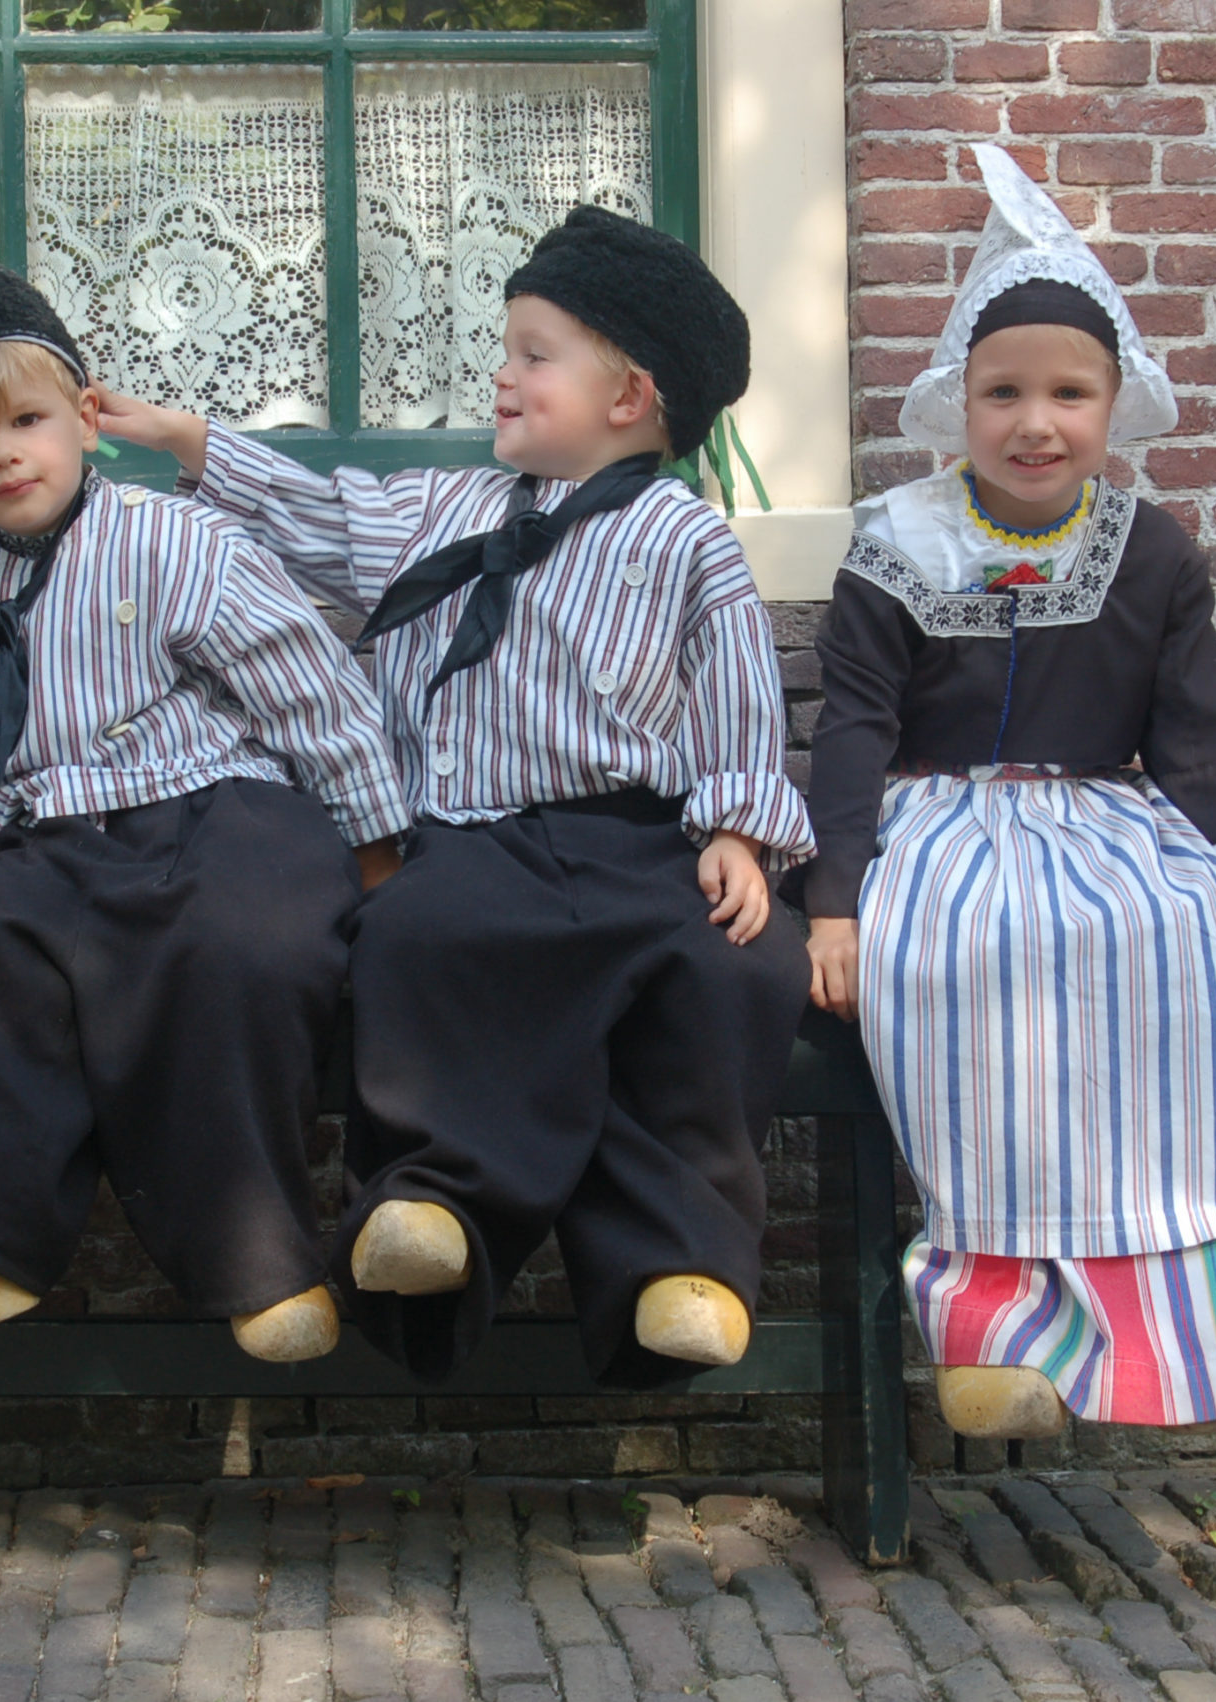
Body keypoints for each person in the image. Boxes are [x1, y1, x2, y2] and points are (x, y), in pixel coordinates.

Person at [99, 207, 815, 1389]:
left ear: (628, 395)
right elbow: (323, 519)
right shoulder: (448, 510)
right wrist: (190, 440)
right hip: (469, 842)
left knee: (733, 966)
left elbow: (733, 683)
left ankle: (677, 1269)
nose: (503, 372)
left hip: (637, 842)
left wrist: (738, 828)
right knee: (416, 938)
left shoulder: (687, 540)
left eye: (535, 353)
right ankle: (429, 1211)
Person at [800, 145, 1216, 1438]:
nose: (1038, 421)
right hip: (941, 815)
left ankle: (1159, 1331)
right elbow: (856, 729)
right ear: (960, 401)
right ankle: (989, 1329)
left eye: (1069, 393)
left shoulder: (1153, 554)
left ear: (1113, 402)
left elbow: (1194, 731)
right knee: (970, 954)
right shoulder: (900, 546)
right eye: (1006, 391)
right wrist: (837, 901)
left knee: (1181, 948)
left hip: (1106, 817)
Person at [0, 259, 413, 1367]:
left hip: (219, 811)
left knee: (240, 946)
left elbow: (311, 692)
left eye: (30, 421)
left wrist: (378, 851)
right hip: (46, 844)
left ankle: (265, 1265)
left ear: (87, 421)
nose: (5, 455)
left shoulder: (174, 540)